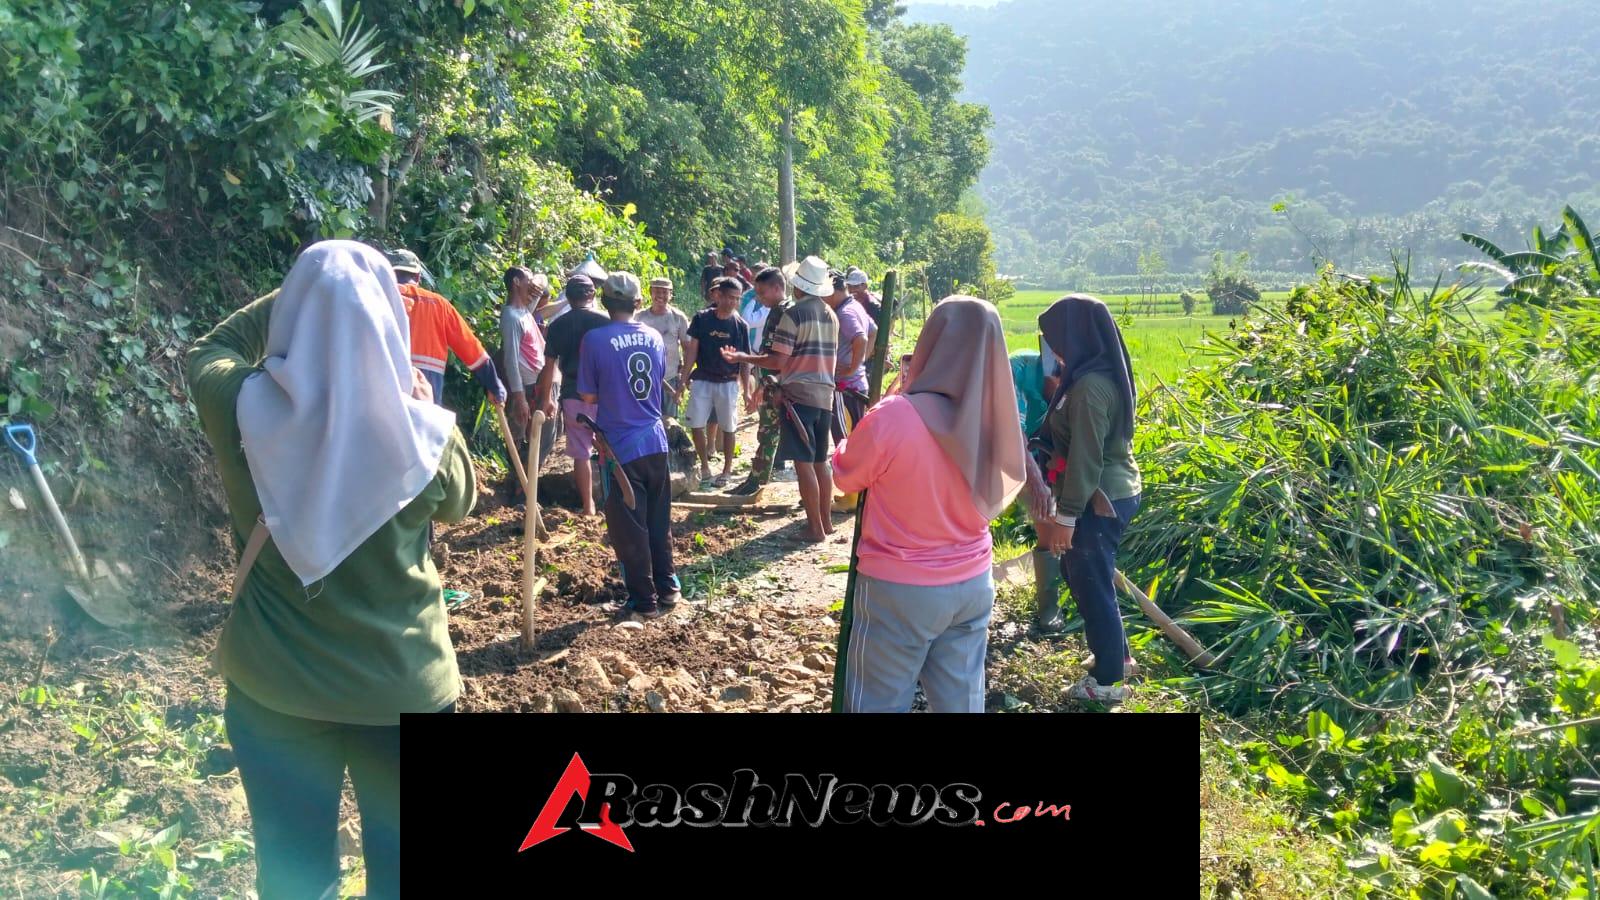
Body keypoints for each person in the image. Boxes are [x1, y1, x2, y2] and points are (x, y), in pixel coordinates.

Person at [186, 241, 472, 899]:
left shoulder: (240, 406)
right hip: (404, 690)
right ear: (388, 320)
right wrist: (415, 393)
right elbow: (460, 502)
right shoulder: (423, 429)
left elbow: (206, 349)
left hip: (274, 689)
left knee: (294, 880)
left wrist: (310, 291)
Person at [831, 296, 1028, 713]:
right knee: (961, 701)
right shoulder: (997, 419)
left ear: (930, 344)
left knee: (877, 701)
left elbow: (845, 476)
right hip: (973, 581)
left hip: (899, 587)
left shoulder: (895, 416)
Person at [1034, 294, 1144, 704]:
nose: (1053, 348)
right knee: (1093, 579)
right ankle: (1118, 657)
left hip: (1101, 499)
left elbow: (1086, 457)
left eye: (1055, 338)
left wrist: (1067, 516)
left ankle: (1107, 682)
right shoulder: (1094, 374)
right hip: (1110, 492)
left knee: (1090, 583)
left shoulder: (1091, 387)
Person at [577, 272, 682, 619]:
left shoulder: (594, 340)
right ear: (638, 303)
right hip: (655, 440)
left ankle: (643, 601)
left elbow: (589, 395)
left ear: (605, 303)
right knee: (657, 518)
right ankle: (668, 589)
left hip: (620, 447)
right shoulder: (653, 335)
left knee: (628, 527)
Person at [722, 255, 839, 541]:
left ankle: (814, 529)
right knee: (820, 460)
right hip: (825, 394)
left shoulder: (794, 314)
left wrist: (741, 356)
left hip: (798, 395)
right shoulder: (830, 314)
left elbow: (778, 361)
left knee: (803, 463)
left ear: (798, 286)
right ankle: (826, 522)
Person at [387, 248, 505, 410]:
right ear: (418, 276)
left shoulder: (375, 300)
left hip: (383, 395)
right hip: (426, 398)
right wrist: (493, 385)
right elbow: (473, 351)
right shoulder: (439, 306)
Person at [536, 275, 612, 516]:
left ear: (568, 298)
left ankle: (588, 506)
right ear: (592, 294)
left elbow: (549, 366)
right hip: (604, 396)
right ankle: (614, 502)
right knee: (609, 447)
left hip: (572, 396)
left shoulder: (557, 326)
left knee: (581, 452)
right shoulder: (605, 322)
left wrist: (546, 399)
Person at [730, 266, 793, 497]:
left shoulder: (782, 312)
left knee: (768, 433)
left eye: (762, 293)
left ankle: (756, 482)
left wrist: (768, 383)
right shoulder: (780, 310)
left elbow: (780, 356)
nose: (759, 298)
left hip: (779, 382)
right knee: (769, 433)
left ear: (777, 288)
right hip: (777, 379)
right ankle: (757, 479)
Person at [684, 276, 751, 487]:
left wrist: (747, 390)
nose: (733, 302)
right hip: (703, 379)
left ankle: (727, 469)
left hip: (728, 382)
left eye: (737, 299)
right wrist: (683, 379)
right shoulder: (702, 319)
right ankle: (704, 465)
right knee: (696, 424)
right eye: (730, 297)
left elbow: (745, 361)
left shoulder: (741, 325)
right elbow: (692, 351)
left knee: (729, 426)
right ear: (718, 295)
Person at [501, 267, 557, 491]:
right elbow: (510, 360)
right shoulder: (511, 316)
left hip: (538, 382)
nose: (533, 283)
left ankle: (525, 488)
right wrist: (520, 397)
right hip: (527, 386)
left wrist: (537, 280)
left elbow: (543, 280)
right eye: (527, 279)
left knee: (543, 438)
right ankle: (519, 489)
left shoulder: (525, 309)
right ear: (516, 282)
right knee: (526, 439)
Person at [825, 269, 875, 443]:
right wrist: (861, 361)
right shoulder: (855, 306)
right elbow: (873, 331)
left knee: (844, 442)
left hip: (846, 388)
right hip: (855, 385)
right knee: (854, 440)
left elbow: (861, 338)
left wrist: (852, 368)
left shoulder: (844, 313)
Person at [635, 276, 691, 422]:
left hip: (670, 376)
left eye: (665, 292)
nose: (660, 296)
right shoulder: (639, 318)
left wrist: (683, 379)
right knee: (646, 420)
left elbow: (687, 350)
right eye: (657, 291)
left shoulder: (678, 318)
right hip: (645, 379)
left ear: (671, 294)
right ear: (650, 292)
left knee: (669, 422)